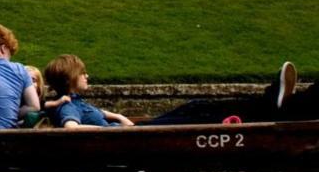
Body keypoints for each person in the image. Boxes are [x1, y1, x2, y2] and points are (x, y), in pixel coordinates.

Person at [143, 61, 318, 125]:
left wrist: (121, 119)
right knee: (197, 108)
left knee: (196, 107)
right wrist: (122, 120)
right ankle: (281, 104)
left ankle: (281, 103)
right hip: (127, 127)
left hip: (127, 125)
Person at [43, 54, 134, 128]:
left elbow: (95, 111)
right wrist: (106, 130)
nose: (87, 76)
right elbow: (71, 127)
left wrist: (119, 116)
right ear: (68, 79)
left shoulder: (76, 100)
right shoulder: (68, 105)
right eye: (82, 73)